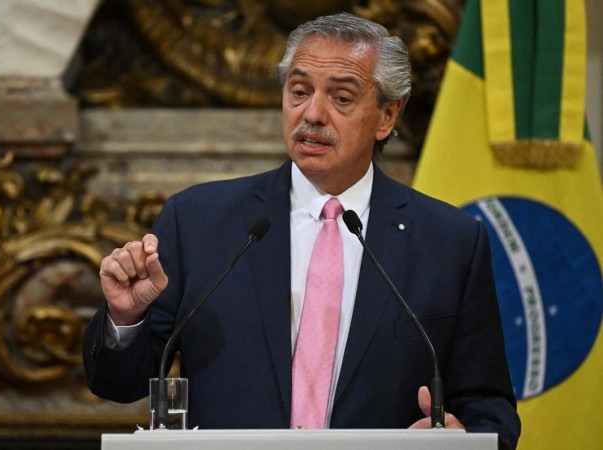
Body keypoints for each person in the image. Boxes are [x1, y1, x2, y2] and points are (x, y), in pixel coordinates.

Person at [83, 12, 520, 450]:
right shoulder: (198, 221)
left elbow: (489, 408)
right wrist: (126, 318)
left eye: (342, 98)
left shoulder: (449, 242)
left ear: (386, 116)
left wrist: (458, 439)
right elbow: (118, 385)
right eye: (299, 91)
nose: (312, 113)